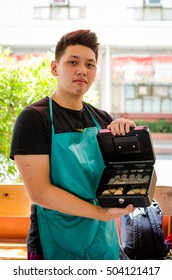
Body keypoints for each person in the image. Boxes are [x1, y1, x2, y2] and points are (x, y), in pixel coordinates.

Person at [10, 29, 136, 260]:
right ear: (55, 68)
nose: (82, 70)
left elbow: (125, 173)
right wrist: (100, 212)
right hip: (54, 244)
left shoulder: (103, 119)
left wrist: (129, 135)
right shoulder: (33, 118)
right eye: (72, 62)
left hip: (104, 239)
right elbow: (40, 192)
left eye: (90, 64)